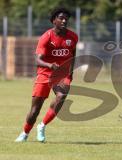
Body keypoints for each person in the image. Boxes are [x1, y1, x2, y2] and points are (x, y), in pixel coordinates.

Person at [15, 7, 78, 142]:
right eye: (61, 18)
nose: (64, 20)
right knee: (34, 110)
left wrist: (70, 73)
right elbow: (38, 59)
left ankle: (42, 126)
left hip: (62, 74)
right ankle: (25, 133)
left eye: (66, 18)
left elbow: (73, 55)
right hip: (45, 74)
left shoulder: (73, 37)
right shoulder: (46, 37)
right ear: (53, 20)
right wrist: (50, 65)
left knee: (61, 96)